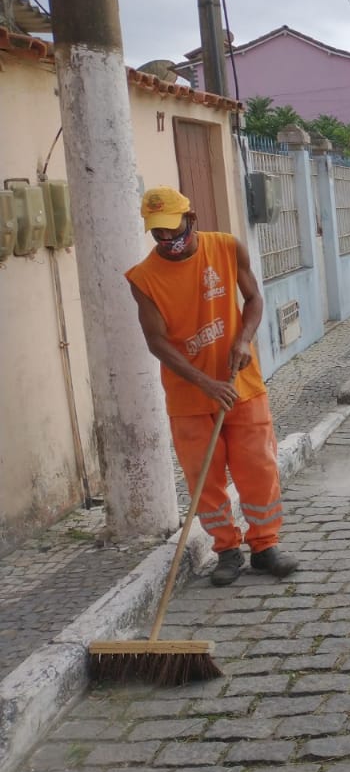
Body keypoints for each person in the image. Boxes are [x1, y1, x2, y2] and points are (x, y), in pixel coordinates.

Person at [126, 186, 299, 587]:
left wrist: (243, 340)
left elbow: (254, 299)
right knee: (205, 479)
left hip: (241, 385)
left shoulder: (226, 247)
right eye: (157, 232)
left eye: (173, 229)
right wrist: (204, 382)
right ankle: (226, 550)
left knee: (258, 467)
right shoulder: (143, 278)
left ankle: (265, 547)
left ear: (192, 219)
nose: (167, 239)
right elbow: (157, 341)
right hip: (189, 397)